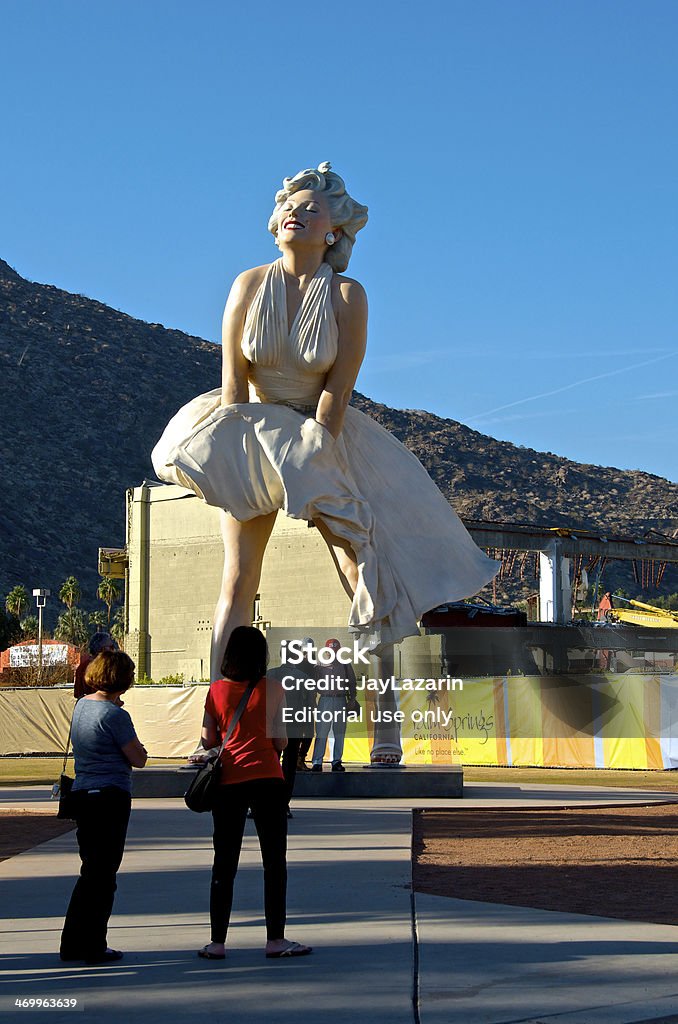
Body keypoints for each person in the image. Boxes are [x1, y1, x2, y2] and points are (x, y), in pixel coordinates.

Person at [152, 162, 499, 757]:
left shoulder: (347, 295)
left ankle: (385, 732)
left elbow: (340, 386)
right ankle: (216, 731)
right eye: (290, 205)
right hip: (248, 429)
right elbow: (233, 382)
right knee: (236, 579)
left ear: (333, 231)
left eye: (312, 209)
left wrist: (318, 439)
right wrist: (230, 447)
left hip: (320, 434)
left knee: (365, 574)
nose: (296, 213)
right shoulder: (247, 284)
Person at [198, 625, 312, 960]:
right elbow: (280, 742)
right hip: (267, 779)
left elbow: (208, 740)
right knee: (274, 861)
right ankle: (275, 939)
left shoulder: (216, 691)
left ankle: (217, 942)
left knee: (224, 862)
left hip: (228, 781)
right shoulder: (273, 689)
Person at [60, 650, 147, 965]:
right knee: (104, 876)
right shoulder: (116, 717)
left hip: (83, 794)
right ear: (123, 680)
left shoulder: (82, 706)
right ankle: (94, 945)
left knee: (90, 872)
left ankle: (71, 943)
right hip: (110, 796)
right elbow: (138, 758)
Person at [268, 637, 319, 815]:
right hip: (295, 727)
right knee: (289, 767)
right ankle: (283, 805)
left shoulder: (269, 675)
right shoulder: (304, 678)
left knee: (270, 764)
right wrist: (307, 728)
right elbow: (310, 706)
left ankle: (262, 803)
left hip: (271, 728)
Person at [311, 638, 358, 773]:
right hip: (324, 699)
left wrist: (352, 699)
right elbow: (313, 685)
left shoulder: (345, 664)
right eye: (330, 651)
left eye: (335, 651)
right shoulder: (318, 665)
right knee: (321, 732)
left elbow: (352, 682)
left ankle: (337, 761)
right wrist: (313, 700)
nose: (332, 654)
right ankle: (317, 762)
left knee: (339, 732)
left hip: (340, 699)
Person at [73, 631, 117, 700]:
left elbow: (77, 694)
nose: (114, 650)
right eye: (111, 647)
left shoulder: (82, 666)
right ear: (102, 649)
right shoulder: (103, 668)